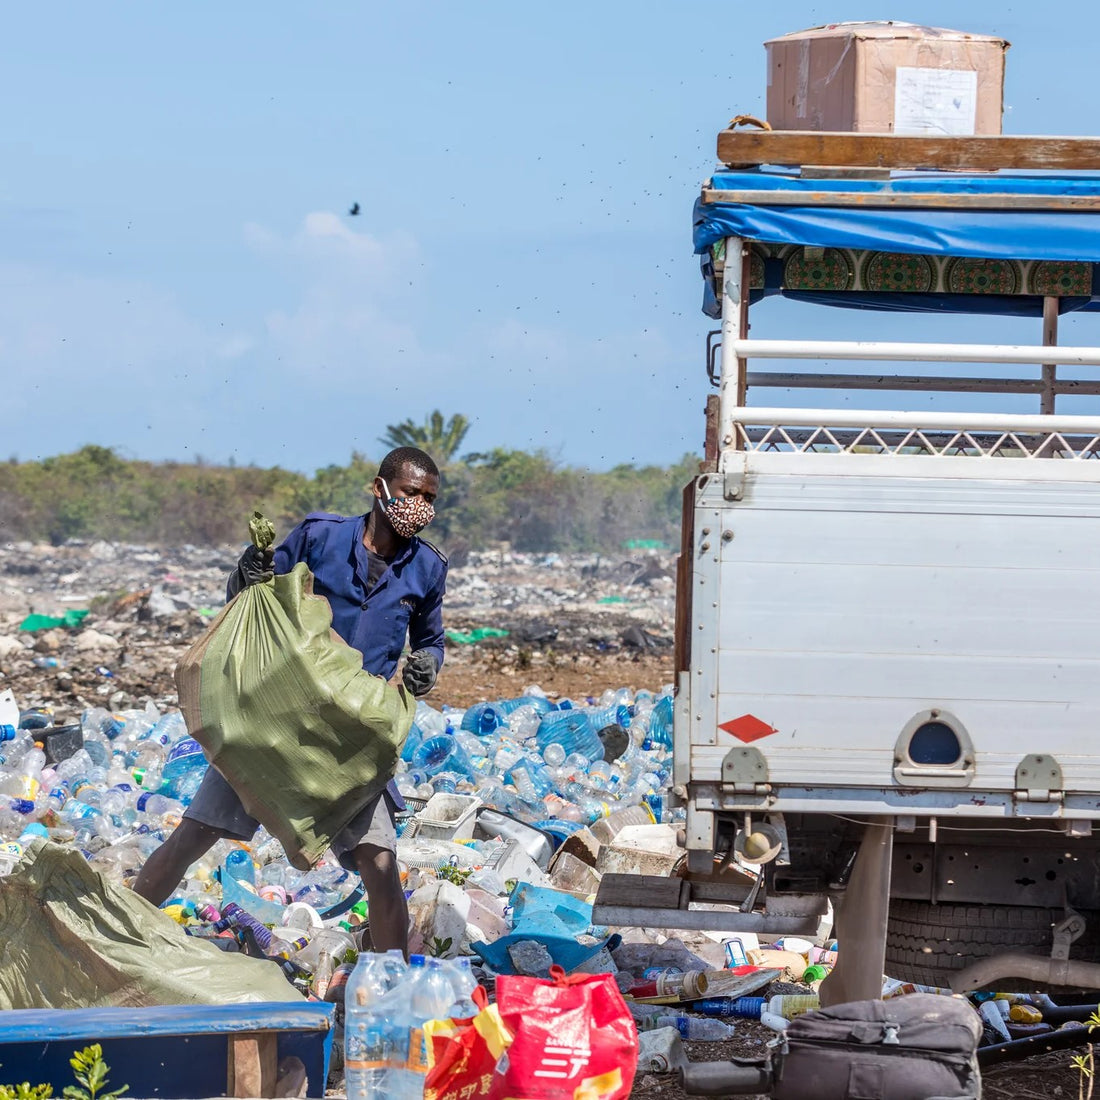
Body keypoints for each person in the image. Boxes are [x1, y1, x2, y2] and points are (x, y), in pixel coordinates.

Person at [133, 446, 447, 955]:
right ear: (379, 488)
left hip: (351, 738)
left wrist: (428, 665)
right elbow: (252, 592)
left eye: (430, 498)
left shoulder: (427, 568)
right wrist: (248, 568)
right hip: (278, 719)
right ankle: (120, 934)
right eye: (411, 493)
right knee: (194, 835)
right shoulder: (320, 536)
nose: (420, 506)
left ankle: (391, 980)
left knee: (380, 863)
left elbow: (431, 640)